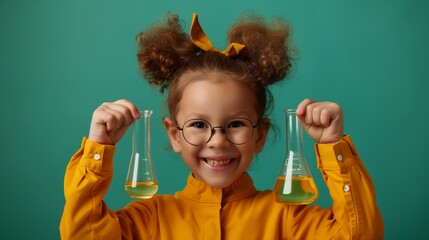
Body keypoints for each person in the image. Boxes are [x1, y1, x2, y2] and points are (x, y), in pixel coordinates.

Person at [60, 13, 383, 239]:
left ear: (260, 134)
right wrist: (98, 149)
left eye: (236, 124)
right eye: (199, 124)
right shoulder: (148, 220)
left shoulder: (290, 219)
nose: (217, 141)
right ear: (174, 134)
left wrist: (332, 146)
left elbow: (361, 235)